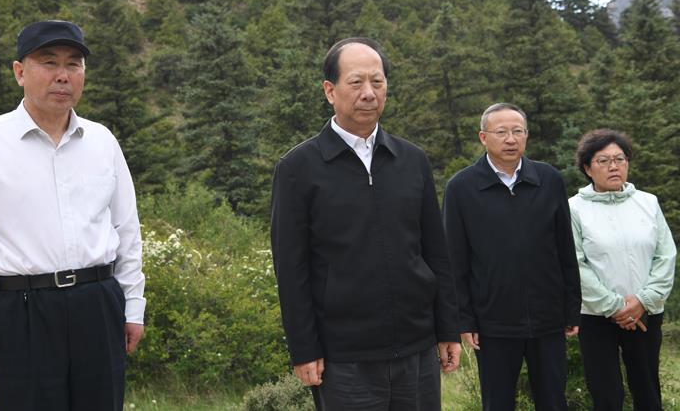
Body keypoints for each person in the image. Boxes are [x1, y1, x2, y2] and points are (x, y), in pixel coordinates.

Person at [0, 20, 146, 411]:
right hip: (23, 311)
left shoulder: (102, 141)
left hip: (99, 304)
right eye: (49, 62)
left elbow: (127, 231)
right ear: (20, 72)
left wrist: (133, 306)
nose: (62, 75)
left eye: (73, 64)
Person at [270, 37, 461, 410]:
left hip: (417, 348)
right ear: (330, 91)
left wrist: (447, 328)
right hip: (343, 357)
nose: (369, 93)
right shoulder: (298, 168)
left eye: (378, 81)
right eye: (356, 82)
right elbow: (291, 269)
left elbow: (436, 253)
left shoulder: (412, 160)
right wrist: (304, 348)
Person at [443, 102, 581, 411]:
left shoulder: (549, 179)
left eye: (518, 131)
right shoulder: (461, 188)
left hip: (548, 318)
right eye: (501, 132)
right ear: (483, 137)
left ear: (526, 136)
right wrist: (463, 319)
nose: (510, 139)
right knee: (498, 402)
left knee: (553, 400)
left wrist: (572, 308)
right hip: (492, 322)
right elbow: (455, 260)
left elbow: (565, 248)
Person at [569, 129, 676, 411]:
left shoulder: (648, 202)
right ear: (587, 168)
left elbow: (665, 255)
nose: (613, 166)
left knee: (647, 391)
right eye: (603, 161)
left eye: (620, 159)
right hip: (596, 315)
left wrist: (643, 300)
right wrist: (616, 307)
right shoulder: (574, 209)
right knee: (606, 395)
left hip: (645, 312)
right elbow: (575, 264)